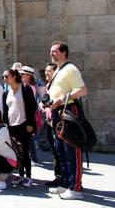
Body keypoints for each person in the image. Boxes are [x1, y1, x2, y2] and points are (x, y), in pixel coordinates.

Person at [44, 41, 88, 200]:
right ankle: (65, 183)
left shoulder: (70, 69)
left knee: (71, 149)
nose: (51, 54)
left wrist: (61, 100)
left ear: (63, 53)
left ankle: (75, 188)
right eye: (51, 51)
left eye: (54, 51)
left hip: (68, 111)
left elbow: (82, 90)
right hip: (58, 112)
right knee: (60, 150)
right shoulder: (58, 71)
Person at [2, 68, 37, 188]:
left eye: (6, 76)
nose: (5, 79)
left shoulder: (25, 88)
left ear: (13, 76)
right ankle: (20, 175)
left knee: (25, 151)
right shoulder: (6, 92)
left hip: (24, 124)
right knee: (16, 151)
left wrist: (30, 124)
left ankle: (28, 177)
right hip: (12, 126)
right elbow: (6, 111)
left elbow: (32, 107)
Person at [42, 62, 63, 188]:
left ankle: (64, 179)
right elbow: (47, 101)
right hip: (50, 121)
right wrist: (43, 106)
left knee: (60, 151)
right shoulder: (48, 85)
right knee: (55, 151)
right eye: (45, 71)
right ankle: (58, 177)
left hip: (58, 121)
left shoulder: (58, 86)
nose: (46, 73)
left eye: (49, 71)